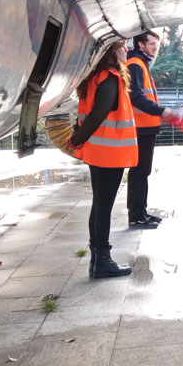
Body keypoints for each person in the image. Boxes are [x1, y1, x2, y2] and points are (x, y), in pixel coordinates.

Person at [65, 41, 137, 279]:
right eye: (122, 47)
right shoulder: (111, 78)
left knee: (99, 205)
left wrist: (78, 139)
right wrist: (76, 140)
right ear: (111, 52)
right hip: (110, 152)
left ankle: (97, 259)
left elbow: (90, 115)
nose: (126, 50)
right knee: (103, 206)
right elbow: (97, 115)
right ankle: (102, 260)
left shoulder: (94, 78)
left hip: (98, 151)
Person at [126, 31, 178, 229]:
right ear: (140, 44)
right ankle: (136, 215)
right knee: (139, 172)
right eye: (151, 44)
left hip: (146, 126)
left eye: (156, 43)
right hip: (141, 127)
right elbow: (137, 97)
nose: (155, 47)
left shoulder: (140, 63)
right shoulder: (135, 64)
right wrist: (161, 110)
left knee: (142, 171)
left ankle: (141, 212)